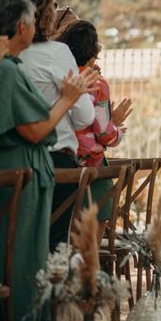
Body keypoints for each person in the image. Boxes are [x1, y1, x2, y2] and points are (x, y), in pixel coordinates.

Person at [0, 0, 90, 321]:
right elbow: (34, 130)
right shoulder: (5, 71)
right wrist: (67, 99)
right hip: (19, 179)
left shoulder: (10, 64)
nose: (38, 26)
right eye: (34, 20)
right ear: (22, 26)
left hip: (28, 175)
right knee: (19, 263)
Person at [12, 0, 96, 251]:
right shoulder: (57, 53)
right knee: (53, 248)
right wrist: (68, 98)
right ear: (44, 11)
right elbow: (85, 118)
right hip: (56, 165)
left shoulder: (5, 56)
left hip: (10, 165)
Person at [55, 20, 132, 243]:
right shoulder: (97, 83)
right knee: (90, 250)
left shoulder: (59, 74)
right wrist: (117, 129)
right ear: (91, 55)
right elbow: (105, 134)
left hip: (59, 165)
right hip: (90, 171)